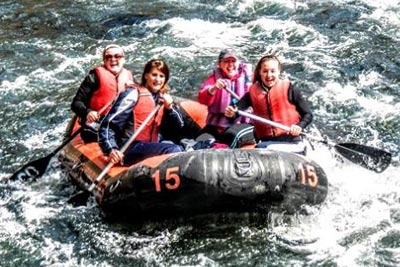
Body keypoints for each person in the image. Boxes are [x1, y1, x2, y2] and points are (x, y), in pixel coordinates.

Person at [98, 59, 184, 165]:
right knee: (173, 150)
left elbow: (179, 127)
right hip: (129, 148)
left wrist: (169, 108)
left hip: (150, 145)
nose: (158, 79)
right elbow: (108, 125)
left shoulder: (164, 98)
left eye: (161, 76)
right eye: (154, 75)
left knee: (181, 146)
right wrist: (111, 149)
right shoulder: (133, 94)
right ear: (146, 76)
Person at [225, 55, 313, 154]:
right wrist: (231, 113)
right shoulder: (253, 92)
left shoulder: (291, 89)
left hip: (291, 142)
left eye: (273, 71)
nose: (269, 75)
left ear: (279, 72)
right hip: (266, 143)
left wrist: (299, 126)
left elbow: (308, 115)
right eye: (265, 71)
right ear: (260, 73)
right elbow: (236, 111)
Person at [70, 44, 134, 143]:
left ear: (123, 60)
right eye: (108, 57)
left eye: (117, 56)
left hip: (117, 123)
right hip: (96, 123)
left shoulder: (129, 78)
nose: (113, 59)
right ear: (104, 61)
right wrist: (88, 112)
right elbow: (76, 103)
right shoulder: (93, 78)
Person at [197, 48, 255, 148]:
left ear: (238, 63)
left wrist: (237, 110)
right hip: (216, 125)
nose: (230, 65)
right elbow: (202, 98)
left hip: (243, 123)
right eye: (226, 61)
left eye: (233, 61)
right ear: (220, 64)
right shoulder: (214, 79)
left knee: (231, 135)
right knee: (201, 140)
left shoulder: (249, 79)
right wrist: (214, 88)